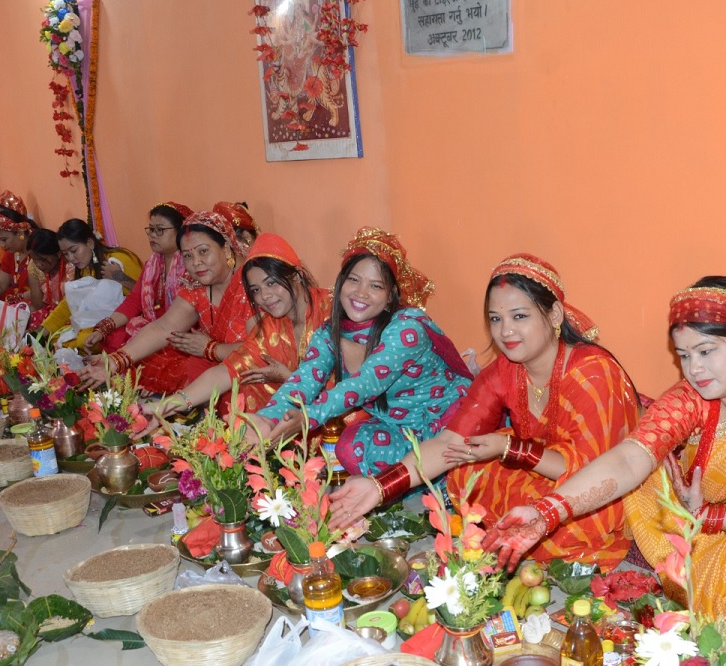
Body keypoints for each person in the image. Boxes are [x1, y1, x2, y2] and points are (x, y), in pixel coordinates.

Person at [485, 279, 726, 613]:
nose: (694, 369)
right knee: (642, 478)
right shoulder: (691, 398)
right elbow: (630, 458)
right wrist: (547, 511)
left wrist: (708, 516)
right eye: (684, 355)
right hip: (699, 518)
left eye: (706, 351)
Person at [329, 255, 639, 570]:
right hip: (540, 467)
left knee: (568, 523)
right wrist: (380, 486)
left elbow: (592, 472)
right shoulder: (505, 370)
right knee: (464, 471)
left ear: (555, 313)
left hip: (597, 484)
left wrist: (509, 448)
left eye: (519, 316)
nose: (506, 332)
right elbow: (448, 443)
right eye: (495, 319)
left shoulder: (592, 373)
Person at [245, 227, 473, 475]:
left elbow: (365, 383)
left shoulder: (408, 328)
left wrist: (308, 417)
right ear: (341, 283)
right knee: (351, 449)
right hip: (401, 429)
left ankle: (431, 483)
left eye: (375, 286)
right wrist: (268, 418)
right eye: (353, 280)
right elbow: (305, 379)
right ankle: (407, 486)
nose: (361, 292)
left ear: (390, 297)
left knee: (452, 485)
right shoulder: (329, 332)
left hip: (447, 422)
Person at [78, 210, 254, 396]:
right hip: (216, 369)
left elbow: (263, 351)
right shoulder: (197, 286)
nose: (196, 263)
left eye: (203, 251)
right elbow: (164, 327)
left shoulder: (254, 284)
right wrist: (115, 361)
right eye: (187, 256)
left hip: (253, 372)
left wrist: (211, 349)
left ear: (226, 249)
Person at [154, 232, 330, 416]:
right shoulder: (270, 326)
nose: (264, 296)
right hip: (298, 419)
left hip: (342, 425)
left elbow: (350, 385)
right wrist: (162, 407)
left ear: (296, 275)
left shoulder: (332, 311)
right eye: (256, 290)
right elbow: (226, 372)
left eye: (271, 283)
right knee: (247, 381)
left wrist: (289, 378)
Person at [84, 202, 194, 394]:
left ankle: (143, 381)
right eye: (150, 229)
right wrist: (104, 327)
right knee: (113, 335)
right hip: (153, 327)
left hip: (181, 333)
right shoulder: (153, 263)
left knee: (165, 360)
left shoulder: (192, 266)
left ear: (182, 232)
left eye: (160, 230)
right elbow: (135, 300)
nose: (152, 235)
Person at [37, 219, 143, 348]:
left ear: (90, 243)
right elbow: (69, 304)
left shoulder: (118, 260)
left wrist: (120, 277)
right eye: (65, 254)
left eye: (74, 250)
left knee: (82, 342)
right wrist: (42, 331)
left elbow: (146, 297)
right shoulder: (85, 268)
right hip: (100, 329)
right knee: (59, 340)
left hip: (127, 329)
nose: (70, 258)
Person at [0, 197, 34, 305]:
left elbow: (41, 292)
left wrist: (13, 302)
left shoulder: (38, 250)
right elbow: (0, 284)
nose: (2, 245)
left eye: (4, 240)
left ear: (20, 233)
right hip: (16, 303)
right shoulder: (11, 253)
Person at [26, 228, 70, 330]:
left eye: (43, 259)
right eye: (34, 259)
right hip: (50, 315)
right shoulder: (36, 266)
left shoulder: (71, 268)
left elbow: (70, 307)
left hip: (67, 315)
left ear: (58, 253)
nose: (38, 264)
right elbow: (37, 305)